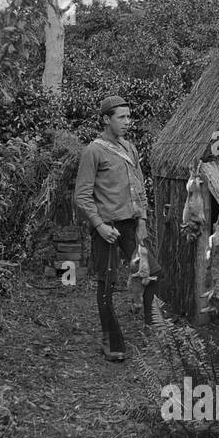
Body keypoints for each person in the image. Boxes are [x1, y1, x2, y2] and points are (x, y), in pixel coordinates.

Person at [73, 95, 151, 361]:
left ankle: (155, 333)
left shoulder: (130, 149)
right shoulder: (93, 152)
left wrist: (142, 222)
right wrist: (99, 226)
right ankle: (112, 342)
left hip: (131, 224)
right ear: (106, 120)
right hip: (106, 227)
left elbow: (139, 188)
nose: (128, 122)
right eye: (122, 117)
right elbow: (82, 196)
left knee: (152, 275)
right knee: (107, 286)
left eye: (129, 117)